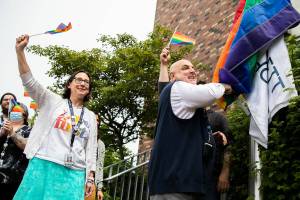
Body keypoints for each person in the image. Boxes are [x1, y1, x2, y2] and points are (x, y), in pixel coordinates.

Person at [14, 34, 98, 200]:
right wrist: (20, 51)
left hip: (74, 174)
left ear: (88, 90)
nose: (82, 83)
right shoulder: (52, 101)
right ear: (69, 84)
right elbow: (29, 82)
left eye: (86, 82)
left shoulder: (89, 117)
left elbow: (91, 148)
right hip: (44, 165)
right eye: (79, 79)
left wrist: (90, 177)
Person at [148, 47, 232, 200]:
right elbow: (209, 93)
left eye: (193, 67)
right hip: (175, 185)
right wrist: (225, 86)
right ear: (173, 77)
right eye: (185, 68)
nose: (192, 70)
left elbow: (163, 88)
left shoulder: (174, 93)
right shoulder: (177, 87)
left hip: (182, 185)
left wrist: (210, 139)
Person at [0, 102, 31, 200]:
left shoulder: (29, 130)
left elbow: (27, 147)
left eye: (17, 111)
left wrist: (12, 134)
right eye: (12, 111)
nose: (14, 113)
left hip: (14, 180)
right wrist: (2, 135)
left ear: (25, 115)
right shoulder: (2, 128)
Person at [205, 106, 231, 200]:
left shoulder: (218, 118)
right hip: (190, 178)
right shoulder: (189, 118)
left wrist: (225, 172)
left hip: (211, 177)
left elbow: (229, 146)